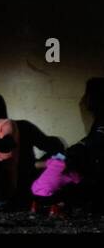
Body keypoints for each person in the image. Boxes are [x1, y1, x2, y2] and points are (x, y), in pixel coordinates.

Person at [31, 78, 104, 212]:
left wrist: (62, 157)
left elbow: (93, 147)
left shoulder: (101, 122)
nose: (83, 100)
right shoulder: (99, 121)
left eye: (87, 95)